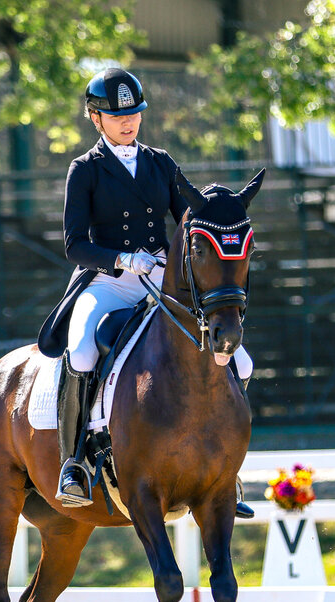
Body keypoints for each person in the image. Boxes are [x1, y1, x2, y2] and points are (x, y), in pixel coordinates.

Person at [36, 66, 253, 516]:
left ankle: (226, 468)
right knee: (79, 351)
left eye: (133, 113)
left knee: (240, 359)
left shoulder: (161, 162)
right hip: (110, 283)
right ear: (95, 118)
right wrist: (121, 258)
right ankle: (74, 462)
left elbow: (188, 219)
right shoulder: (85, 170)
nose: (128, 122)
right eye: (117, 116)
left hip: (161, 282)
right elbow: (75, 244)